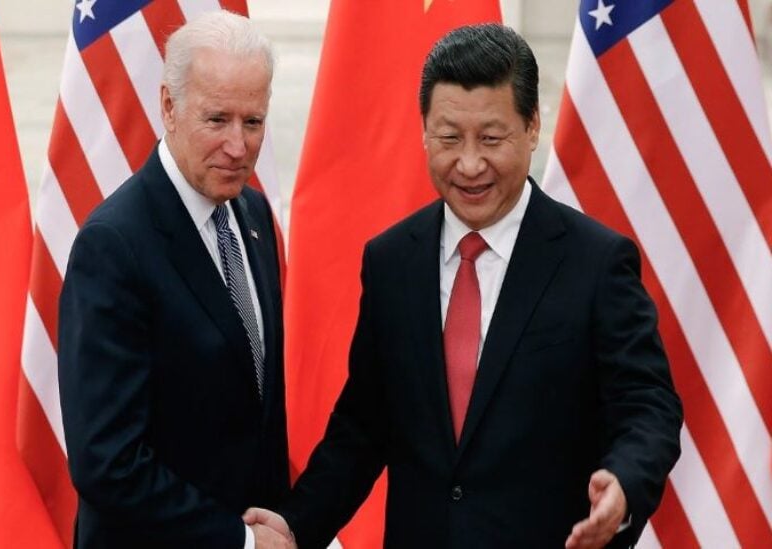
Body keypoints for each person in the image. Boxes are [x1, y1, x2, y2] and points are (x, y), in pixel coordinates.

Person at [244, 23, 682, 548]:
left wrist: (625, 485)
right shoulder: (391, 261)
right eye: (450, 138)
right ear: (425, 131)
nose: (470, 164)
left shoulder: (596, 261)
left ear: (532, 126)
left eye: (492, 139)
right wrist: (296, 524)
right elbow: (362, 428)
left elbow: (648, 406)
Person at [58, 11, 292, 549]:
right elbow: (106, 462)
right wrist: (242, 541)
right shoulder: (114, 246)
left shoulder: (253, 214)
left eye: (253, 122)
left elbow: (255, 409)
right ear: (169, 106)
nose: (238, 146)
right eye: (217, 120)